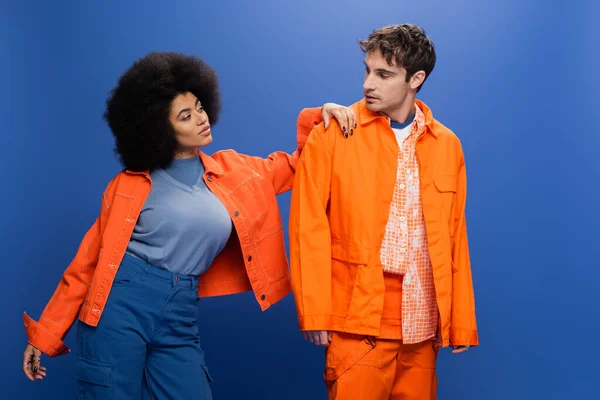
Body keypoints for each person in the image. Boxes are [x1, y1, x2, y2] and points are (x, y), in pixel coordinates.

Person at [21, 51, 356, 399]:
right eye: (185, 115)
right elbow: (86, 263)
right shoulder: (129, 184)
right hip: (118, 307)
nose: (201, 118)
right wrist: (44, 337)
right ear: (158, 128)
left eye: (199, 106)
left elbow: (302, 163)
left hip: (180, 310)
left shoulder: (236, 171)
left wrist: (322, 117)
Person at [289, 24, 478, 399]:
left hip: (422, 326)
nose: (367, 84)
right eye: (367, 70)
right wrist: (314, 310)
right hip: (356, 320)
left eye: (384, 74)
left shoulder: (447, 145)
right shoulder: (334, 131)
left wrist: (461, 319)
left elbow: (455, 235)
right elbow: (307, 225)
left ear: (416, 79)